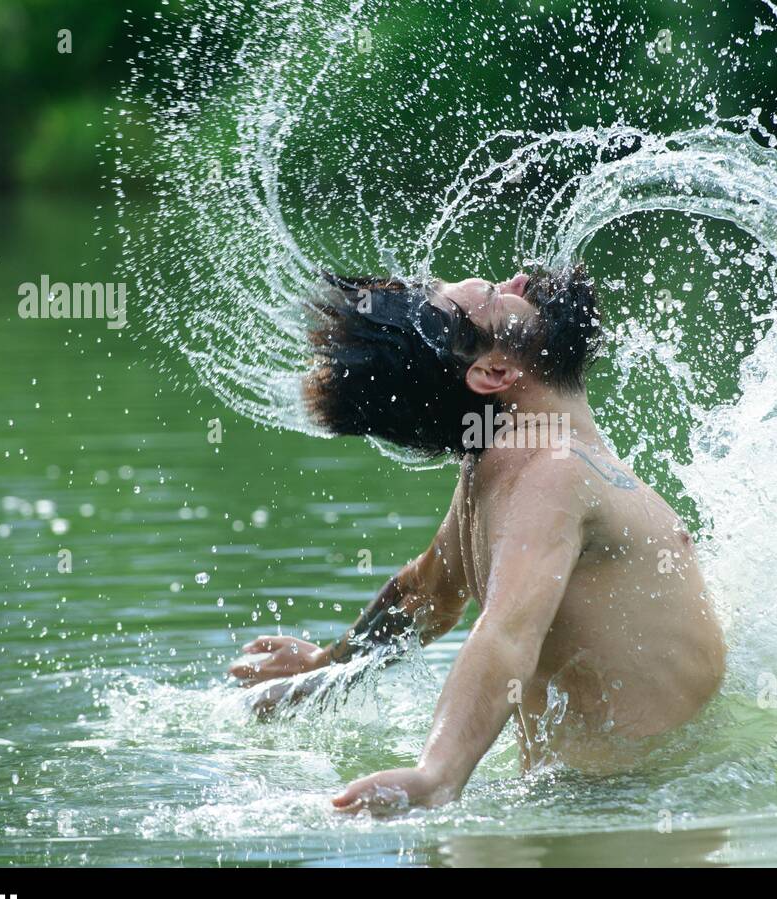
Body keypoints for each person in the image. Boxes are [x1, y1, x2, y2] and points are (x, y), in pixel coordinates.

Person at [229, 266, 725, 813]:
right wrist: (436, 775)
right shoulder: (551, 469)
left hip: (595, 800)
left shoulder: (494, 469)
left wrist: (329, 668)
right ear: (493, 372)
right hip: (630, 811)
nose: (518, 281)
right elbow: (507, 632)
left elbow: (426, 595)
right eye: (495, 295)